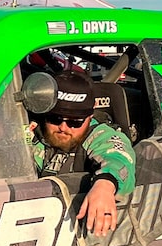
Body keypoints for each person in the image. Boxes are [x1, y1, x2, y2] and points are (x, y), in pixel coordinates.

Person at [30, 70, 135, 236]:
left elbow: (119, 158)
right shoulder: (31, 131)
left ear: (90, 116)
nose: (63, 128)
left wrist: (105, 185)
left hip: (74, 234)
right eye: (55, 119)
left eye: (75, 122)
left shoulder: (100, 136)